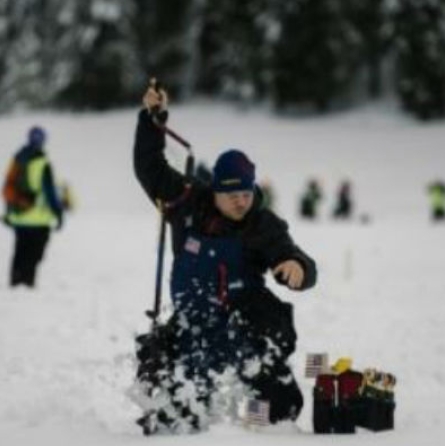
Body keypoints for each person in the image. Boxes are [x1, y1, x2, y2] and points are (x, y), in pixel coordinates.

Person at [133, 85, 317, 433]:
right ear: (215, 190)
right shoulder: (185, 202)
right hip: (193, 330)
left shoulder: (261, 223)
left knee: (273, 414)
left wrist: (298, 266)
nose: (240, 202)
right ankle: (188, 422)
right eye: (232, 194)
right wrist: (151, 121)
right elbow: (150, 168)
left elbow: (291, 255)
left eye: (246, 193)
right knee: (173, 423)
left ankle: (252, 430)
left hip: (245, 331)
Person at [2, 126, 64, 288]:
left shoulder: (17, 159)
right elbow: (49, 192)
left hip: (19, 216)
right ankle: (27, 283)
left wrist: (8, 212)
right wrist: (58, 213)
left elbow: (8, 187)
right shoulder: (42, 163)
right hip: (38, 219)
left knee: (20, 251)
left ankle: (15, 282)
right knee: (35, 254)